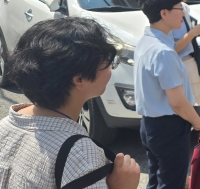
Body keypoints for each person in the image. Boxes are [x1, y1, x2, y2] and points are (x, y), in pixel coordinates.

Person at [0, 17, 140, 189]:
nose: (111, 69)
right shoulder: (80, 155)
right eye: (108, 63)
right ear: (79, 79)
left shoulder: (5, 126)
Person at [135, 0, 200, 189]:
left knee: (156, 181)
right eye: (179, 7)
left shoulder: (146, 41)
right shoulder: (163, 51)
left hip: (150, 125)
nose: (183, 12)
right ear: (164, 13)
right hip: (169, 127)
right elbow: (177, 102)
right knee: (172, 183)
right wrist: (198, 122)